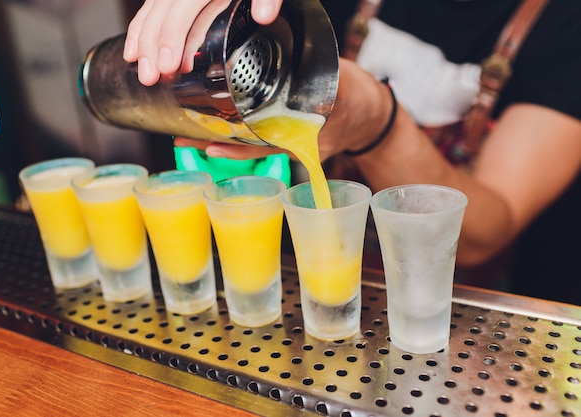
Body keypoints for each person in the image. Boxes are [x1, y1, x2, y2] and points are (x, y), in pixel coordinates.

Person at [122, 0, 581, 305]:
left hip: (449, 306)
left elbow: (483, 235)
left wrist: (379, 121)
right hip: (295, 291)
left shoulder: (565, 22)